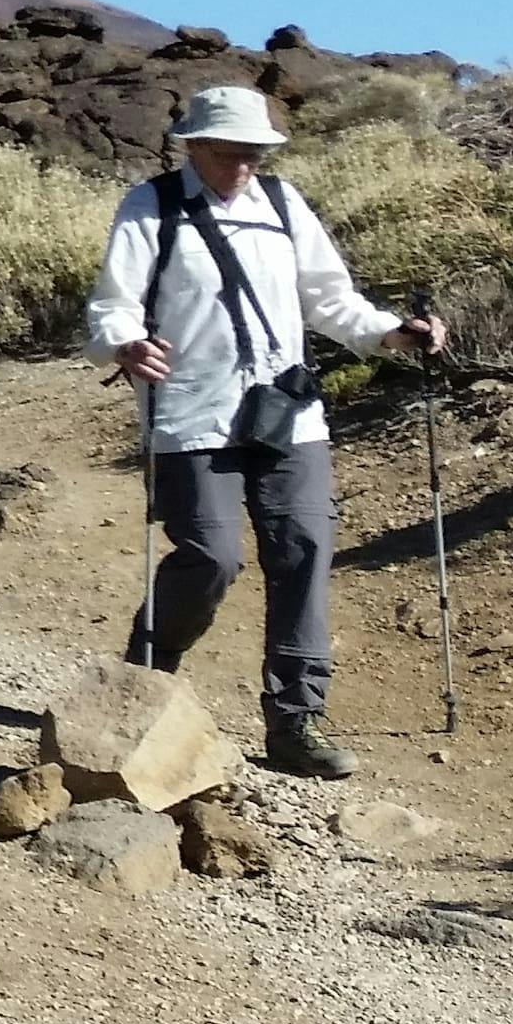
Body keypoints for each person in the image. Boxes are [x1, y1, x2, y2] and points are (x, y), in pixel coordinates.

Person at [85, 83, 444, 779]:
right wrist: (126, 343)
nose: (244, 165)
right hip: (191, 413)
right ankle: (148, 672)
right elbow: (112, 305)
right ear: (193, 146)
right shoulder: (152, 204)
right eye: (230, 154)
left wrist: (392, 332)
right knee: (212, 556)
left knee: (304, 548)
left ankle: (295, 720)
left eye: (256, 153)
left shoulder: (282, 205)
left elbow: (330, 298)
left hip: (288, 413)